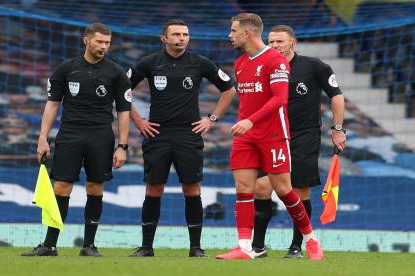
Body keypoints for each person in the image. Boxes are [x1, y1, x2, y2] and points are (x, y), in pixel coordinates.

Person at [216, 13, 323, 260]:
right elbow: (248, 99)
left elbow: (279, 99)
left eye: (233, 31)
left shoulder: (276, 61)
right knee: (244, 188)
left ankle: (311, 239)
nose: (229, 36)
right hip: (245, 135)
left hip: (273, 134)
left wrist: (250, 120)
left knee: (285, 190)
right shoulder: (240, 62)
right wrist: (245, 123)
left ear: (247, 33)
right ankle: (244, 247)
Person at [127, 19, 236, 258]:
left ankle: (195, 248)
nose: (182, 38)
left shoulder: (199, 62)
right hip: (157, 133)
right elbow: (122, 91)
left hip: (189, 134)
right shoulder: (150, 62)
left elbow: (229, 89)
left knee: (191, 189)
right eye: (176, 34)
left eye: (185, 34)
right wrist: (138, 121)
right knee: (154, 188)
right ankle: (146, 247)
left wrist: (212, 119)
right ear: (163, 39)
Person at [21, 23, 131, 257]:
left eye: (107, 43)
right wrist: (43, 139)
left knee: (95, 187)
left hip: (101, 134)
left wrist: (122, 146)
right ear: (86, 41)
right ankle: (49, 245)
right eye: (99, 42)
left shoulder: (116, 72)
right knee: (60, 187)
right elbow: (52, 105)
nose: (104, 47)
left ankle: (89, 246)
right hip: (70, 133)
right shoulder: (66, 69)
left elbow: (123, 111)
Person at [251, 25, 346, 259]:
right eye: (271, 42)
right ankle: (257, 247)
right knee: (262, 187)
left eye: (280, 42)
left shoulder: (314, 66)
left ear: (293, 42)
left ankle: (296, 246)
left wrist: (337, 128)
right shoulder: (262, 67)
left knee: (298, 190)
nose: (274, 46)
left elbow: (336, 95)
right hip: (271, 136)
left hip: (304, 135)